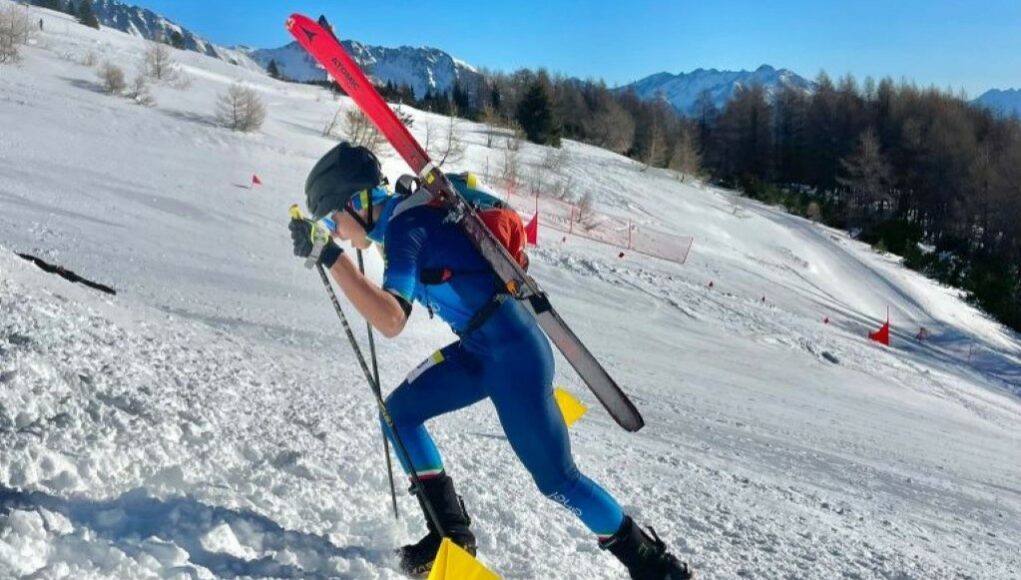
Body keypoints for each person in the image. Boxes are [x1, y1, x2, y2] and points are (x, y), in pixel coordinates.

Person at [289, 142, 692, 579]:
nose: (337, 232)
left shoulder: (407, 226)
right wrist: (329, 250)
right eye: (327, 228)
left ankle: (656, 566)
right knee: (398, 415)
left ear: (358, 201)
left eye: (333, 220)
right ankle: (449, 537)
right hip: (479, 350)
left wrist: (331, 257)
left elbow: (390, 320)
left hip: (515, 357)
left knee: (558, 481)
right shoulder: (396, 224)